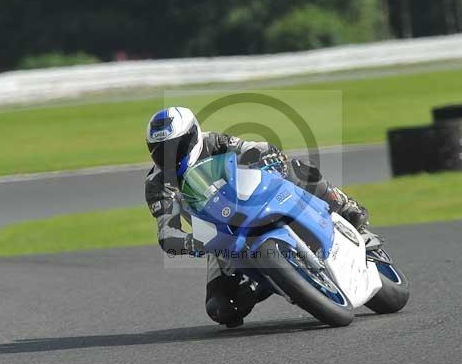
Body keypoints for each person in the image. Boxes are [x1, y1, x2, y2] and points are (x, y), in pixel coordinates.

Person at [144, 106, 374, 327]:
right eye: (160, 150)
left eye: (175, 146)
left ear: (192, 135)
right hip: (219, 233)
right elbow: (166, 229)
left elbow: (254, 148)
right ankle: (273, 281)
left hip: (251, 202)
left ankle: (344, 205)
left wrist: (266, 155)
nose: (169, 155)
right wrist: (188, 241)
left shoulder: (215, 142)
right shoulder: (157, 184)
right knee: (222, 308)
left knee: (296, 167)